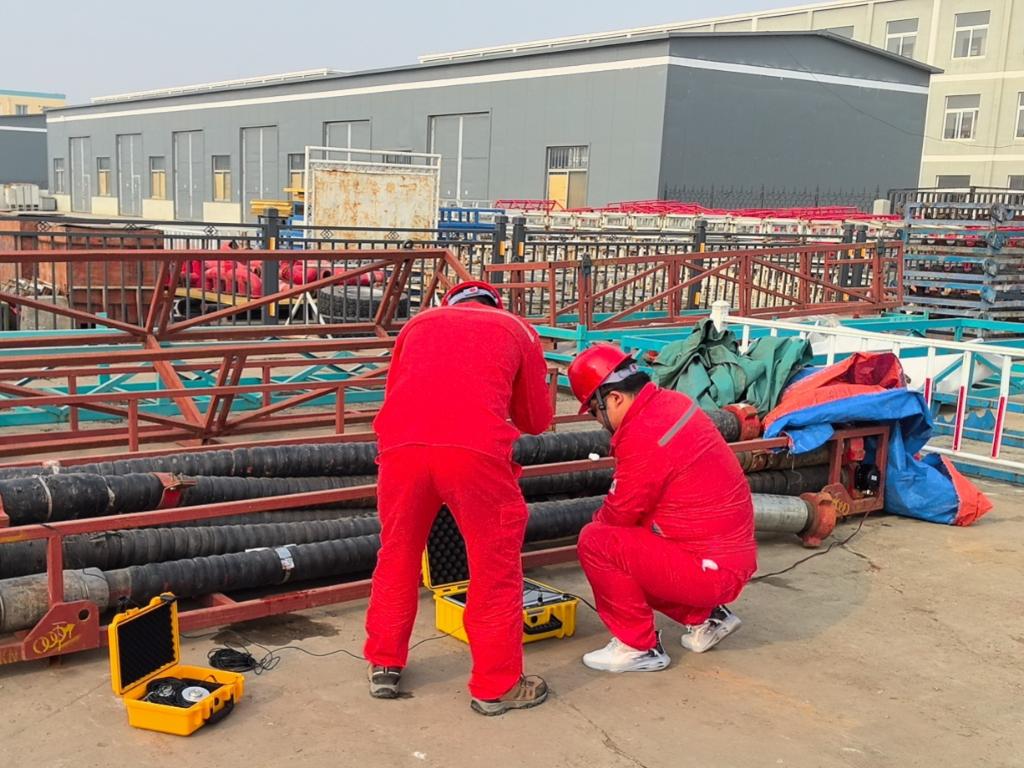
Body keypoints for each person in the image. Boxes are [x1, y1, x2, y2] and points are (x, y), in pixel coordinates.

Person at [364, 280, 554, 715]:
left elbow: (396, 393)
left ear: (448, 302)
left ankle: (384, 663)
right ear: (493, 304)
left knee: (397, 555)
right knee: (494, 567)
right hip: (475, 454)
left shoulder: (417, 324)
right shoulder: (516, 328)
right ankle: (496, 686)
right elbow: (535, 419)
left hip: (401, 450)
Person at [566, 343, 756, 673]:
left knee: (597, 542)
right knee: (634, 543)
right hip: (724, 558)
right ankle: (707, 617)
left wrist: (601, 527)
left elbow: (620, 512)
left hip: (712, 568)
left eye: (596, 412)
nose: (600, 423)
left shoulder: (644, 432)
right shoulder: (671, 403)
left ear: (615, 398)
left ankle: (638, 647)